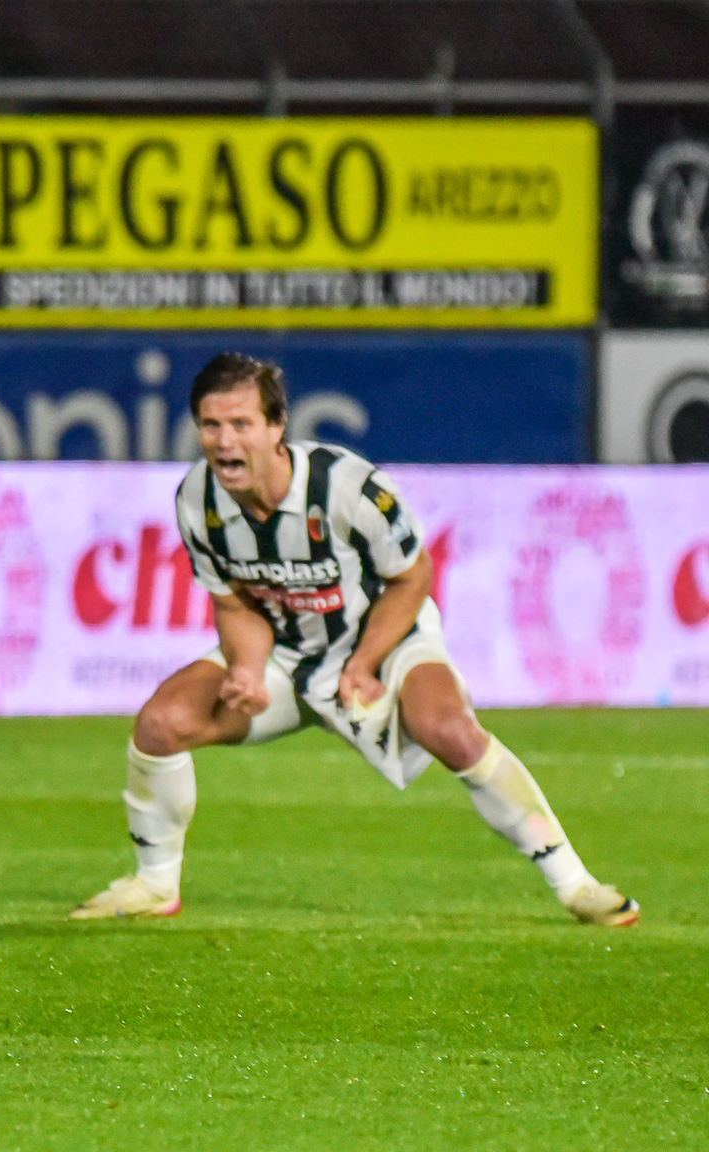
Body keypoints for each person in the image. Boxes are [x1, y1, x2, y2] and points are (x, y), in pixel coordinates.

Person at [71, 352, 638, 928]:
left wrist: (364, 663)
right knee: (160, 725)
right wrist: (246, 667)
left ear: (277, 427)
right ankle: (153, 884)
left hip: (386, 644)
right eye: (211, 425)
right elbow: (234, 601)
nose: (224, 441)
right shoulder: (197, 500)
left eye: (241, 423)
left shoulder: (347, 487)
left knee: (450, 731)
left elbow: (413, 576)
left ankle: (577, 885)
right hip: (288, 654)